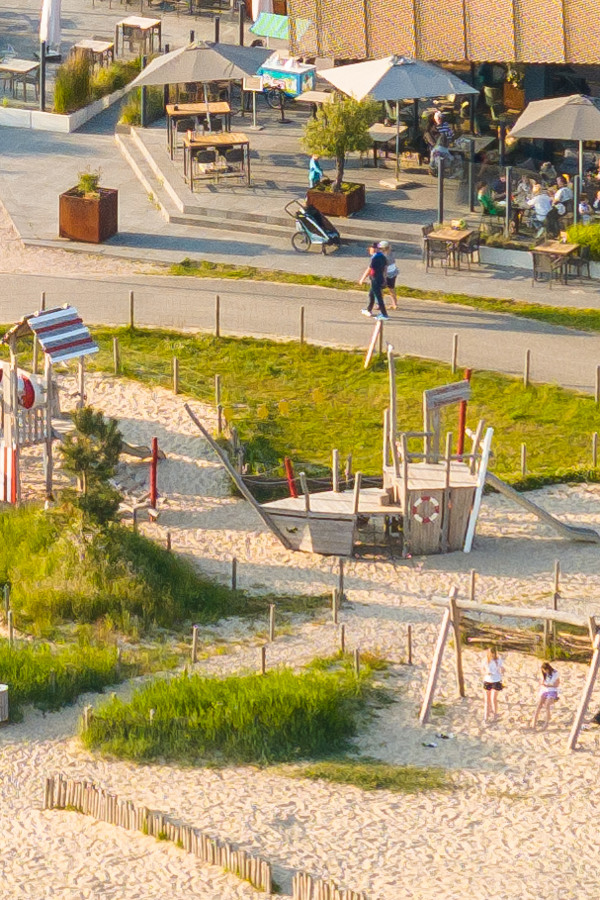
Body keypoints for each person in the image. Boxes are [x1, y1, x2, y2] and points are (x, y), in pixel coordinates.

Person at [358, 244, 388, 320]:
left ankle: (384, 314)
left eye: (370, 249)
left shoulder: (374, 258)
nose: (369, 251)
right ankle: (368, 310)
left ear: (374, 249)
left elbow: (369, 269)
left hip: (375, 279)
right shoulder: (383, 256)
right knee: (371, 294)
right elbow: (385, 268)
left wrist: (362, 279)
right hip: (380, 277)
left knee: (378, 296)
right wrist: (384, 278)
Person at [531, 662, 560, 729]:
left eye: (545, 670)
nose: (545, 672)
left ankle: (546, 723)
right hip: (545, 690)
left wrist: (548, 685)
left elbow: (557, 684)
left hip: (552, 690)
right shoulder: (544, 674)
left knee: (547, 705)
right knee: (539, 705)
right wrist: (543, 684)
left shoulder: (555, 673)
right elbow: (542, 681)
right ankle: (534, 723)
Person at [482, 646, 504, 723]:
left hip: (496, 680)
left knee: (493, 699)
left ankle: (495, 715)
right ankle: (486, 717)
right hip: (487, 680)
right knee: (487, 700)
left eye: (493, 653)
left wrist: (501, 670)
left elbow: (502, 668)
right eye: (491, 653)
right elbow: (482, 669)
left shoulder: (498, 660)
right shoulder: (485, 660)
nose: (492, 655)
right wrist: (486, 673)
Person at [377, 240, 398, 310]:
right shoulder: (391, 253)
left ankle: (380, 304)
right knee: (391, 289)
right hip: (393, 273)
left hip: (386, 274)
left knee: (380, 289)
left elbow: (384, 268)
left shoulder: (383, 256)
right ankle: (394, 304)